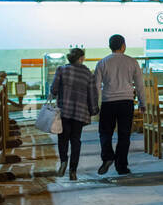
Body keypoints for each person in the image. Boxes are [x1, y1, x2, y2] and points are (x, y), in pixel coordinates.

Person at [95, 34, 144, 175]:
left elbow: (96, 86)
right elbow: (140, 85)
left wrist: (95, 104)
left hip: (108, 102)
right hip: (126, 102)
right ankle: (121, 166)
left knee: (105, 132)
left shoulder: (102, 63)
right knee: (124, 135)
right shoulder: (132, 62)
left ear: (110, 46)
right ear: (123, 46)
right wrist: (142, 102)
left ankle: (108, 157)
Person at [50, 48, 97, 180]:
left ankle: (63, 161)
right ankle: (73, 171)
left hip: (64, 110)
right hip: (80, 113)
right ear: (81, 58)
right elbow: (93, 94)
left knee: (63, 138)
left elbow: (53, 89)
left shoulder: (61, 70)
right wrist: (93, 109)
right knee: (76, 140)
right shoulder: (87, 73)